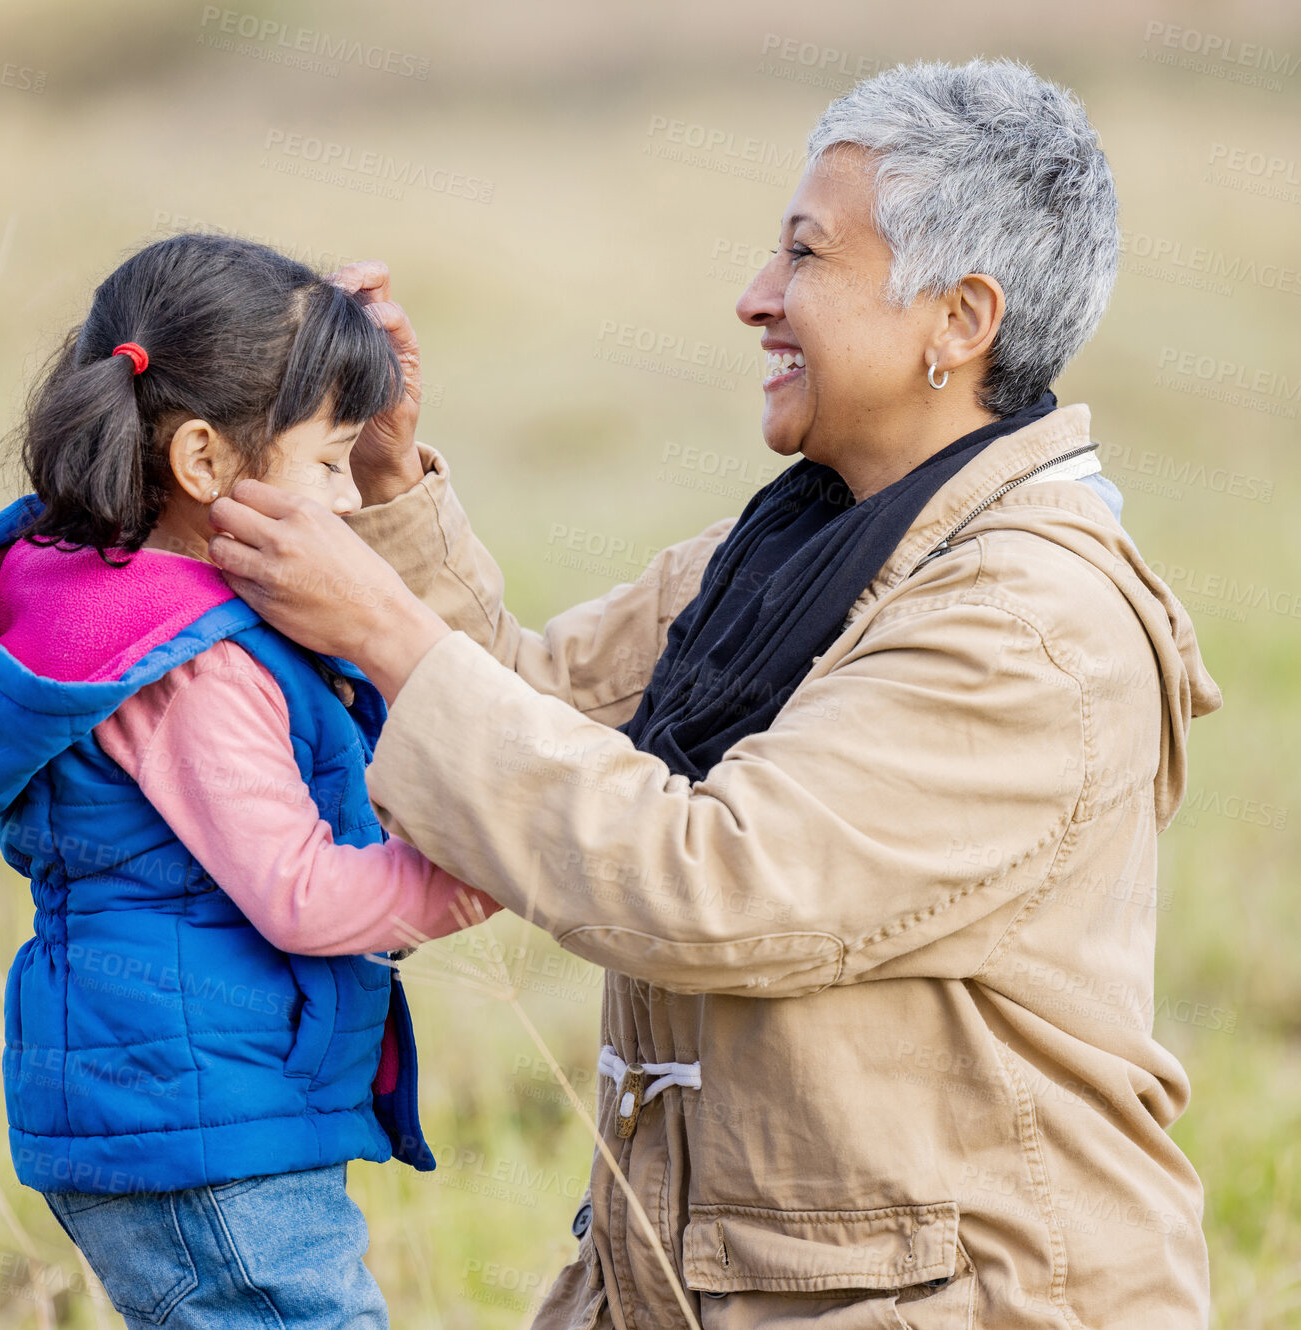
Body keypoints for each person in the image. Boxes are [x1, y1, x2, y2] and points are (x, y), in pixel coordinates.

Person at [206, 60, 1224, 1327]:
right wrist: (391, 480)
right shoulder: (799, 548)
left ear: (958, 320)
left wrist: (383, 627)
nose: (753, 299)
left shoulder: (1023, 627)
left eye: (803, 255)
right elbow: (533, 717)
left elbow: (708, 880)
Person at [0, 232, 496, 1330]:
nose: (343, 498)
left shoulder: (108, 601)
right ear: (200, 463)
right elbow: (303, 891)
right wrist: (491, 865)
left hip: (172, 1110)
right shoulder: (195, 664)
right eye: (327, 463)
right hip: (202, 1132)